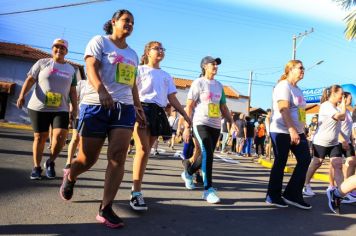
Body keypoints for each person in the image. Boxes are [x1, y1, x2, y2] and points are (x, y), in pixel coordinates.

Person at [59, 9, 146, 228]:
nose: (130, 25)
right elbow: (90, 67)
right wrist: (101, 91)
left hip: (123, 107)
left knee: (118, 156)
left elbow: (132, 82)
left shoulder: (133, 54)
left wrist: (137, 105)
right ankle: (71, 176)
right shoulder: (100, 42)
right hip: (96, 105)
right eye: (126, 21)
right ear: (113, 22)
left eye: (133, 23)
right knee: (88, 159)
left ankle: (106, 207)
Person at [131, 41, 190, 211]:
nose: (160, 51)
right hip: (141, 108)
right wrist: (136, 108)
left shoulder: (166, 75)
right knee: (142, 150)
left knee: (146, 152)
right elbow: (131, 89)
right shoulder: (139, 69)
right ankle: (136, 192)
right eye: (156, 48)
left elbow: (172, 98)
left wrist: (185, 114)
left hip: (158, 112)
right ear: (148, 52)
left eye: (162, 48)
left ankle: (136, 188)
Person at [16, 38, 77, 180]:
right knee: (40, 137)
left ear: (66, 51)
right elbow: (30, 80)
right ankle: (36, 167)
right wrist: (21, 95)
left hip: (61, 108)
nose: (59, 50)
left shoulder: (71, 69)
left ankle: (50, 162)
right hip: (39, 107)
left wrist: (74, 107)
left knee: (61, 137)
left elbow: (73, 91)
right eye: (56, 47)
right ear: (52, 49)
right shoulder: (42, 63)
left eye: (62, 48)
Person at [182, 56, 236, 204]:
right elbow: (189, 105)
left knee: (208, 154)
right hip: (201, 123)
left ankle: (189, 171)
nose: (216, 66)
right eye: (213, 64)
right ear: (204, 66)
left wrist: (232, 122)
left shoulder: (219, 85)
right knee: (207, 152)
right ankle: (208, 190)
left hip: (216, 125)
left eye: (217, 64)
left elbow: (223, 107)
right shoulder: (198, 83)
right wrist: (187, 126)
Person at [265, 60, 312, 210]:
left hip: (297, 131)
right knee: (281, 161)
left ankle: (292, 194)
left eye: (303, 68)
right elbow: (284, 109)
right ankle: (273, 196)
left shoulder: (298, 89)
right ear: (290, 69)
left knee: (305, 159)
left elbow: (300, 112)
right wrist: (291, 129)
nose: (303, 70)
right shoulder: (283, 86)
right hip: (281, 130)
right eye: (300, 68)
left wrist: (302, 129)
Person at [303, 85, 346, 197]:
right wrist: (344, 105)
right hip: (321, 141)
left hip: (334, 143)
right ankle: (306, 185)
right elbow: (341, 117)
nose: (343, 96)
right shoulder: (326, 106)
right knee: (317, 162)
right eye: (341, 93)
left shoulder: (336, 107)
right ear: (334, 94)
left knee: (338, 165)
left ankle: (341, 192)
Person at [65, 79, 87, 171]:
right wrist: (71, 110)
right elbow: (73, 96)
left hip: (92, 115)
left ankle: (79, 160)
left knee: (83, 140)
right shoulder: (82, 83)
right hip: (79, 114)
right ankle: (68, 162)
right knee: (75, 138)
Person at [338, 92, 356, 203]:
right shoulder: (338, 110)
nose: (351, 99)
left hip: (348, 141)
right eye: (350, 98)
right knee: (336, 165)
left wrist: (351, 140)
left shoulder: (349, 111)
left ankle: (347, 188)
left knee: (352, 162)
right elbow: (335, 127)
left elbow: (349, 128)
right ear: (344, 98)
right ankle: (335, 188)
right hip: (338, 140)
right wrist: (342, 139)